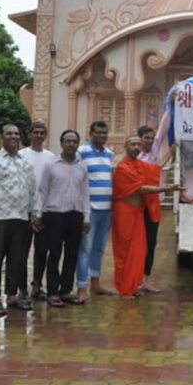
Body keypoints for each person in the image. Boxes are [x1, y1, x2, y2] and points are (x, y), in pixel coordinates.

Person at [0, 124, 41, 315]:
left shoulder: (25, 162)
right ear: (2, 138)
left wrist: (36, 212)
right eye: (9, 134)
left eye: (16, 133)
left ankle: (12, 295)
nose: (13, 136)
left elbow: (33, 190)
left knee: (17, 259)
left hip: (21, 217)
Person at [111, 135, 182, 298]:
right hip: (125, 213)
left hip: (137, 213)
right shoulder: (123, 167)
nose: (136, 147)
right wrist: (166, 189)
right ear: (125, 146)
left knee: (138, 251)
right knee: (125, 252)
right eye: (132, 144)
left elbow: (156, 168)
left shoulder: (139, 164)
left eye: (138, 144)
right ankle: (124, 288)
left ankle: (134, 285)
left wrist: (171, 151)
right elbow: (141, 189)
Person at [39, 130, 90, 307]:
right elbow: (43, 191)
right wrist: (39, 214)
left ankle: (66, 290)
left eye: (74, 141)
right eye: (67, 141)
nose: (71, 144)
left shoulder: (82, 166)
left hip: (75, 215)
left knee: (72, 255)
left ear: (78, 144)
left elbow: (85, 194)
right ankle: (52, 292)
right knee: (54, 254)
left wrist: (86, 217)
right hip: (54, 215)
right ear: (61, 144)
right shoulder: (51, 165)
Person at [76, 120, 115, 301]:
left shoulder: (108, 154)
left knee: (99, 248)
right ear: (90, 134)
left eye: (104, 133)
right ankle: (82, 287)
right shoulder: (81, 152)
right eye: (98, 132)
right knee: (85, 249)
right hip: (89, 210)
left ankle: (96, 284)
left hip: (106, 210)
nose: (102, 136)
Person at [18, 121, 56, 301]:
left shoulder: (51, 157)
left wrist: (40, 212)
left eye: (42, 133)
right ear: (30, 134)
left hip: (44, 211)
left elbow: (51, 186)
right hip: (23, 211)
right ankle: (21, 289)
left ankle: (37, 286)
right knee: (22, 251)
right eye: (36, 132)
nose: (39, 136)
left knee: (42, 251)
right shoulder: (21, 155)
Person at [137, 124, 166, 293]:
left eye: (151, 138)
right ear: (139, 139)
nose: (149, 141)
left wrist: (169, 106)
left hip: (153, 205)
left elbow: (162, 130)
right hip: (137, 205)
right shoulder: (136, 157)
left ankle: (145, 279)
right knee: (137, 242)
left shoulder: (154, 154)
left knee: (151, 242)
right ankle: (135, 278)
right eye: (146, 137)